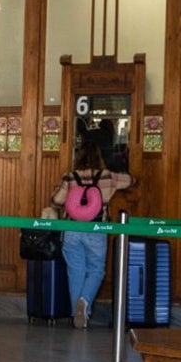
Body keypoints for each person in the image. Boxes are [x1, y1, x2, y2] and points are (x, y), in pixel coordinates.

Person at [51, 141, 133, 329]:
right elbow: (130, 181)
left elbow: (55, 201)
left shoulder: (70, 177)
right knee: (96, 270)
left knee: (75, 271)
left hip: (72, 229)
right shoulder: (107, 177)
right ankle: (84, 301)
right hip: (97, 229)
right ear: (100, 157)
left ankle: (77, 316)